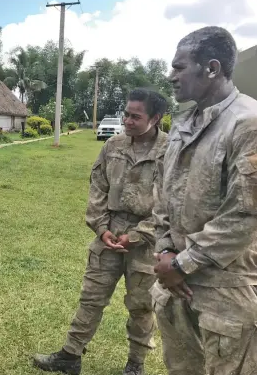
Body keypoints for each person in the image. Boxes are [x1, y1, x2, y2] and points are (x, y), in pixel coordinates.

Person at [33, 88, 168, 375]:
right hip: (109, 233)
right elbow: (97, 187)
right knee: (91, 297)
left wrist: (135, 236)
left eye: (135, 116)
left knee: (142, 306)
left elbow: (171, 206)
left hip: (147, 241)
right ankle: (70, 356)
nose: (127, 121)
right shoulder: (113, 146)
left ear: (155, 118)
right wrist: (102, 227)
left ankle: (135, 366)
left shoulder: (171, 152)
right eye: (126, 114)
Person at [150, 26, 257, 375]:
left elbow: (244, 215)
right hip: (176, 283)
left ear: (211, 68)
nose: (171, 77)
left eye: (179, 67)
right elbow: (163, 193)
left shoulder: (249, 123)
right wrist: (166, 251)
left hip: (226, 288)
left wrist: (182, 263)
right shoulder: (185, 121)